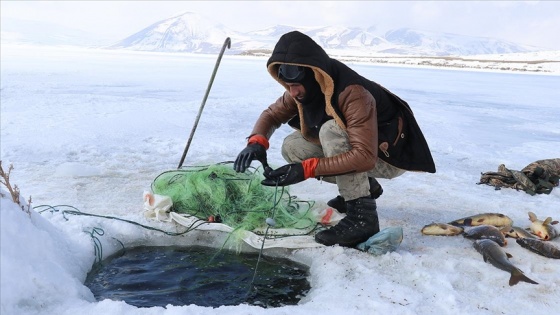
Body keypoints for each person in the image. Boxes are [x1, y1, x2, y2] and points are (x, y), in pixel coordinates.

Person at [234, 31, 436, 247]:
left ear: (313, 75)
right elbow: (272, 114)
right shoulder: (305, 88)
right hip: (364, 151)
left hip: (388, 157)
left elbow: (364, 157)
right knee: (293, 146)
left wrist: (305, 169)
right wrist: (257, 142)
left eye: (295, 86)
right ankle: (366, 187)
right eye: (287, 87)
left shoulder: (353, 93)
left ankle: (362, 218)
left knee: (332, 131)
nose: (292, 93)